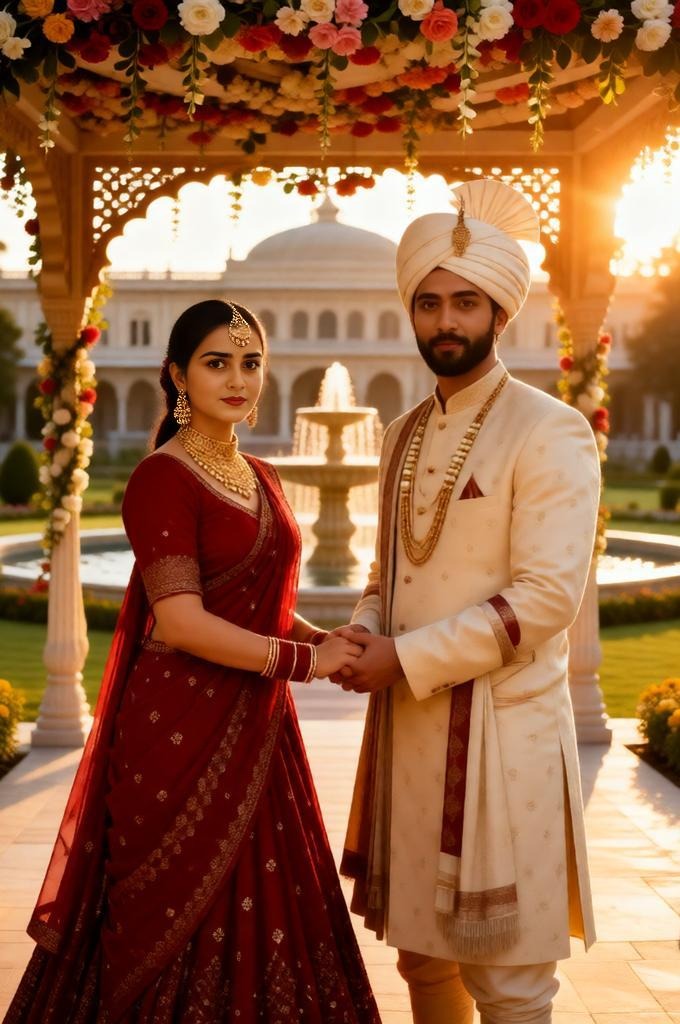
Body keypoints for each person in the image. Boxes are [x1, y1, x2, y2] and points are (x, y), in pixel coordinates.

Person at [5, 299, 381, 1024]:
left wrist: (328, 643)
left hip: (257, 723)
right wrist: (305, 664)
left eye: (250, 362)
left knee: (274, 899)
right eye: (216, 362)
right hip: (177, 729)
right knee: (171, 907)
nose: (237, 378)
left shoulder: (263, 474)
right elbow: (180, 622)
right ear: (177, 374)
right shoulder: (162, 479)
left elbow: (263, 605)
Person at [334, 179, 601, 1024]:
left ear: (499, 311)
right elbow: (389, 576)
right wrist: (362, 631)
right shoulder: (400, 435)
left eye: (465, 302)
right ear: (410, 313)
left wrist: (403, 658)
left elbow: (548, 596)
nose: (446, 321)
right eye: (429, 304)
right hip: (411, 735)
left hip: (499, 739)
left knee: (510, 980)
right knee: (423, 958)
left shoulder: (548, 428)